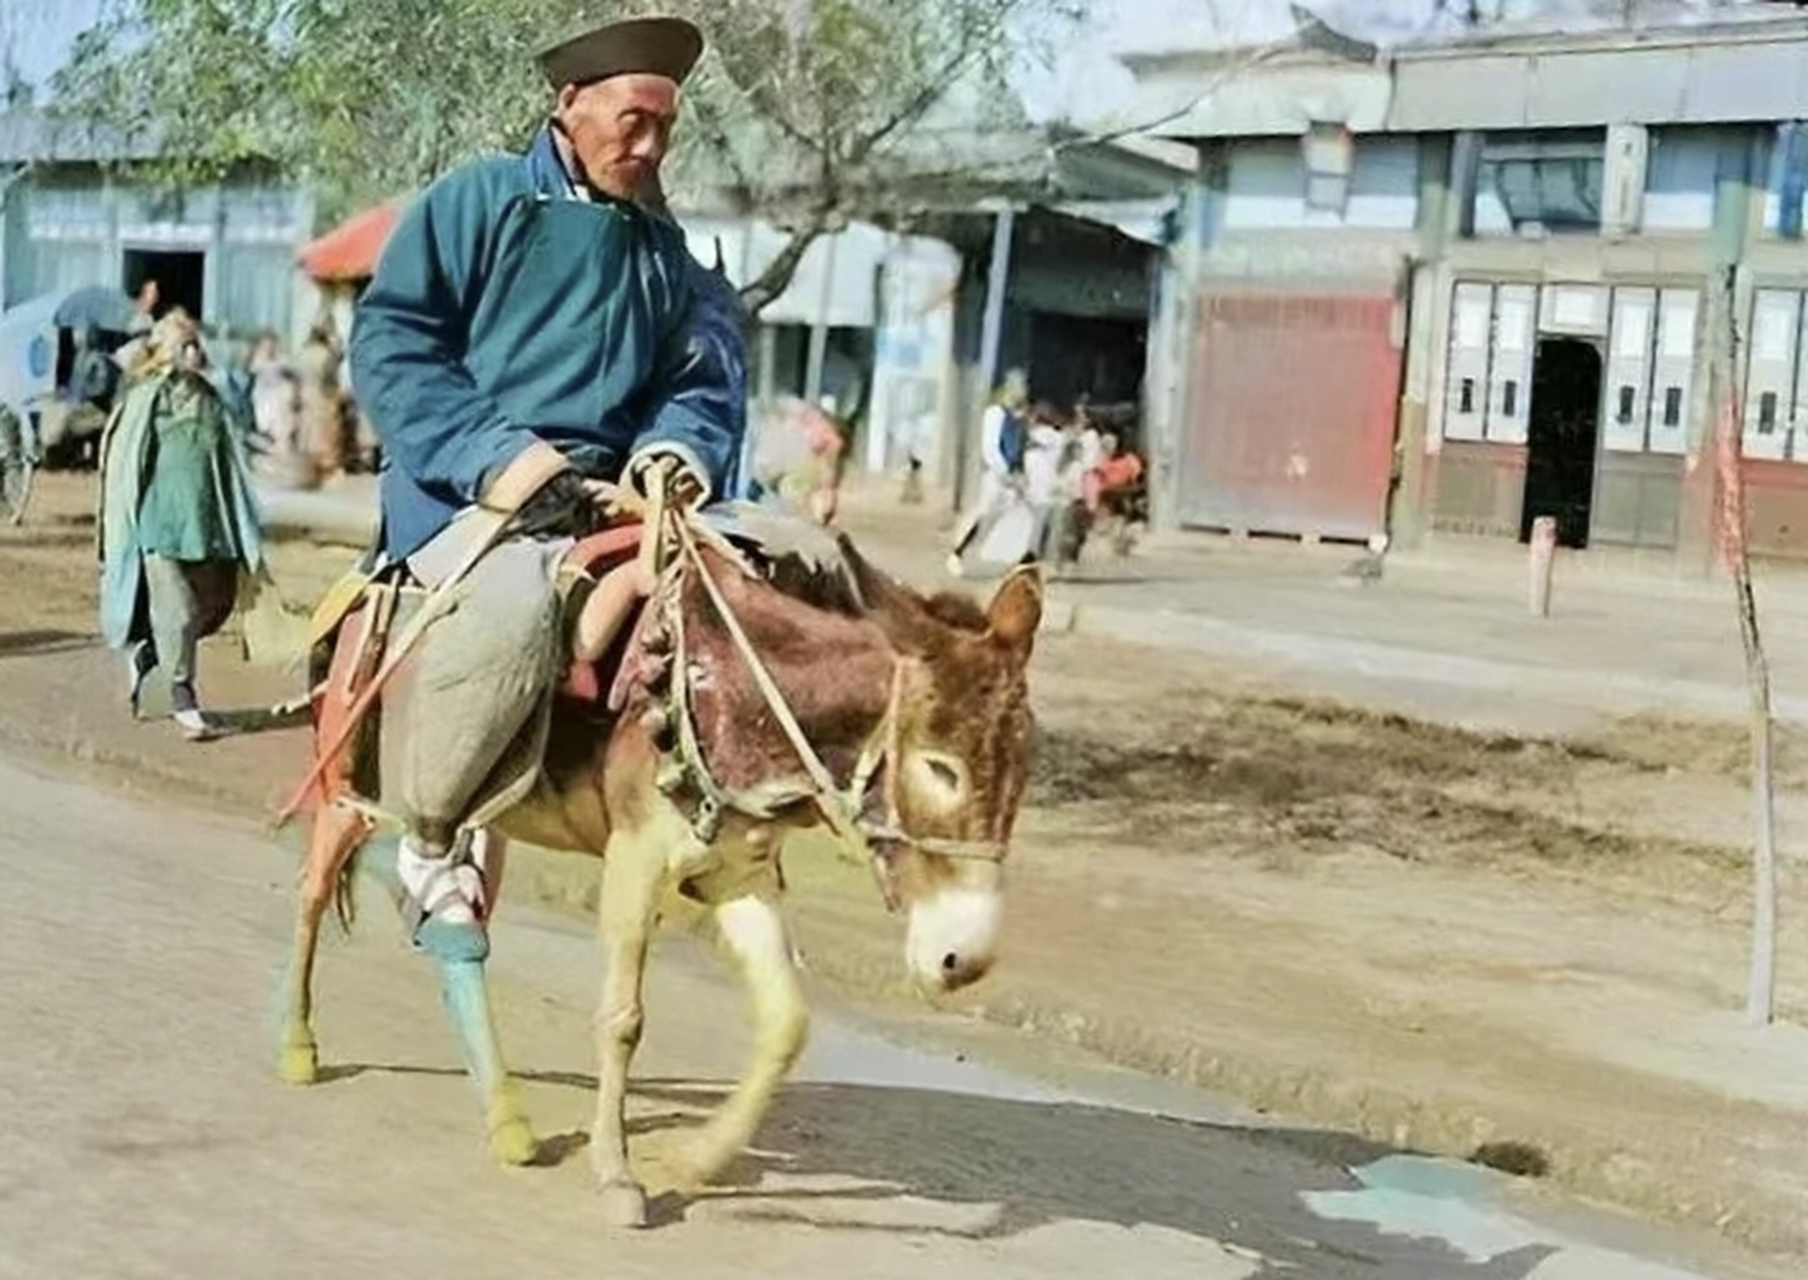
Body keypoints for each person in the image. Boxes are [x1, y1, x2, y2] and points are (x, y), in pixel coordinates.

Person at [348, 13, 746, 952]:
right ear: (569, 104)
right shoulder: (478, 200)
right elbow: (394, 341)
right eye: (632, 121)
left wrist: (672, 454)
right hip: (467, 490)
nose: (649, 147)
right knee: (520, 603)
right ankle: (433, 836)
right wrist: (497, 455)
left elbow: (695, 380)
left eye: (665, 130)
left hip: (611, 494)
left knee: (750, 585)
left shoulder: (662, 245)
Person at [97, 310, 266, 741]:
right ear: (167, 350)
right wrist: (123, 526)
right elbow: (122, 464)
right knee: (179, 613)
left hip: (208, 522)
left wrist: (218, 376)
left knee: (213, 608)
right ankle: (182, 698)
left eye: (196, 343)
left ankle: (148, 657)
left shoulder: (212, 395)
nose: (193, 351)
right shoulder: (146, 397)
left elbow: (244, 421)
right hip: (160, 524)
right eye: (184, 344)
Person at [945, 374, 1029, 577]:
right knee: (983, 514)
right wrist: (1004, 473)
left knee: (1014, 518)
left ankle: (1013, 564)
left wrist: (1020, 474)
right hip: (997, 476)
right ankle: (957, 552)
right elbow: (990, 448)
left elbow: (1019, 449)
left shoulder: (1017, 417)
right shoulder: (995, 413)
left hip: (1011, 477)